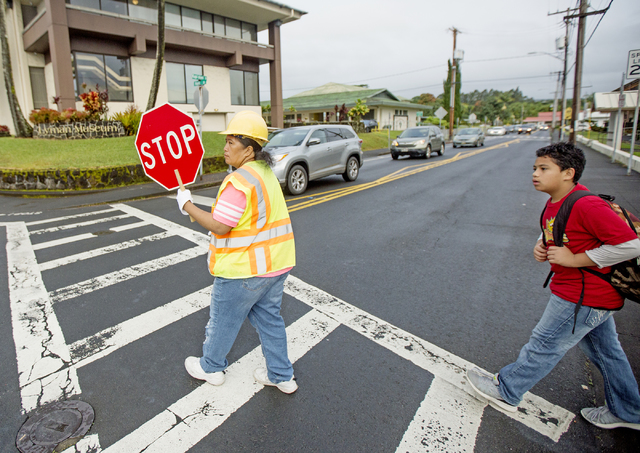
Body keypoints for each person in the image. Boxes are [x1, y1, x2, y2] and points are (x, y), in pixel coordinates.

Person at [466, 142, 640, 430]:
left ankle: (507, 390)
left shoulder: (587, 204)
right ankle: (629, 411)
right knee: (607, 354)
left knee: (544, 344)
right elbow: (553, 228)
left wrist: (576, 259)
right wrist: (540, 244)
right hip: (588, 295)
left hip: (582, 295)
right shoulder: (558, 200)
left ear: (568, 173)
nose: (535, 173)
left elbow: (632, 245)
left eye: (544, 168)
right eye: (535, 168)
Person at [176, 111, 298, 394]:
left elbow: (220, 226)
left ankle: (211, 367)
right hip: (276, 266)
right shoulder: (265, 172)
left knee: (223, 321)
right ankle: (281, 375)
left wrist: (187, 206)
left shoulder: (239, 181)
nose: (225, 147)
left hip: (243, 270)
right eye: (227, 141)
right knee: (270, 320)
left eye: (232, 142)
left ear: (250, 149)